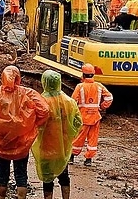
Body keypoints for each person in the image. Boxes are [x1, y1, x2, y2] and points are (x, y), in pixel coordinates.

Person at [0, 66, 50, 199]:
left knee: (2, 174)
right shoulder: (28, 93)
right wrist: (33, 124)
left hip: (0, 142)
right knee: (21, 175)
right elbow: (44, 110)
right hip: (22, 143)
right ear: (18, 78)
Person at [33, 70, 82, 199]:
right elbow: (78, 122)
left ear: (45, 82)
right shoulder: (69, 102)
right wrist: (69, 134)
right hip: (63, 147)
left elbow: (33, 123)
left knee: (47, 178)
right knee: (64, 175)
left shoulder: (41, 101)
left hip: (46, 146)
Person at [71, 63, 113, 166]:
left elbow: (72, 102)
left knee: (78, 138)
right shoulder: (99, 86)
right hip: (95, 117)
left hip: (83, 117)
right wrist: (102, 107)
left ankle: (71, 157)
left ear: (83, 75)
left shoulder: (80, 87)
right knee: (93, 139)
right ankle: (88, 160)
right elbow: (109, 97)